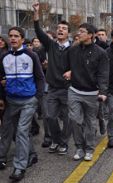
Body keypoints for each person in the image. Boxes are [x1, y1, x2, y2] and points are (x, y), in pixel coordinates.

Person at [0, 26, 44, 182]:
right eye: (10, 36)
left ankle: (19, 167)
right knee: (11, 131)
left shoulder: (31, 55)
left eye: (16, 36)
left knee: (21, 131)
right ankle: (30, 155)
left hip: (28, 101)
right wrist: (2, 97)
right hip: (11, 101)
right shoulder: (4, 57)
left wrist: (37, 98)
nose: (12, 38)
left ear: (22, 39)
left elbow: (40, 77)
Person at [63, 23, 109, 161]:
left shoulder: (101, 53)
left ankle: (89, 149)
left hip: (92, 93)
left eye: (82, 31)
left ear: (90, 35)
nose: (79, 33)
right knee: (75, 120)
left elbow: (103, 74)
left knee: (90, 123)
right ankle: (79, 147)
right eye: (79, 31)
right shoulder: (73, 50)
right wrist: (68, 73)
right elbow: (66, 66)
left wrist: (102, 91)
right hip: (74, 91)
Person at [33, 2, 72, 155]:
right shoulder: (51, 45)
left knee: (68, 119)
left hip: (68, 89)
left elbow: (79, 65)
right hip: (53, 89)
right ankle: (56, 140)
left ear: (68, 33)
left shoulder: (74, 48)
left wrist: (72, 72)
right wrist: (36, 13)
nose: (60, 30)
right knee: (49, 117)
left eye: (64, 29)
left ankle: (63, 143)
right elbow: (38, 31)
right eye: (59, 28)